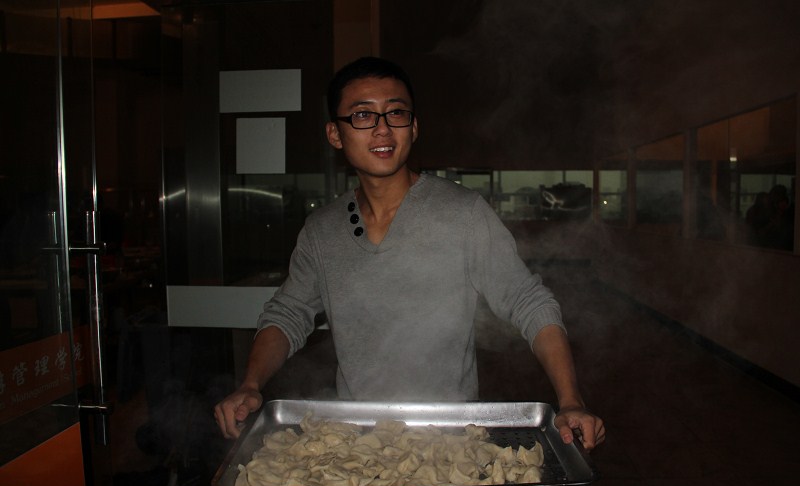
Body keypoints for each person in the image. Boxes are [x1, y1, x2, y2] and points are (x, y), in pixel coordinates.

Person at [214, 57, 605, 453]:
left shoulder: (463, 214)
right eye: (363, 115)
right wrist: (251, 384)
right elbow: (287, 313)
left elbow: (529, 302)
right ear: (335, 134)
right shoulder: (321, 231)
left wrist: (571, 400)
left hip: (451, 440)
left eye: (396, 113)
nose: (382, 128)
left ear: (414, 127)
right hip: (356, 443)